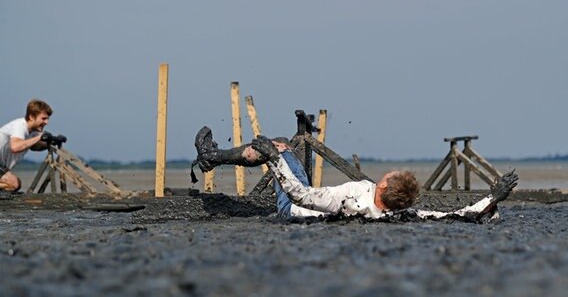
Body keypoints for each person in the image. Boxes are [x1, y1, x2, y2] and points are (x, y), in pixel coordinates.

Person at [193, 126, 518, 222]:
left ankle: (210, 157)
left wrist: (273, 159)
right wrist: (492, 198)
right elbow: (453, 215)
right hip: (313, 203)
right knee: (279, 149)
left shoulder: (350, 200)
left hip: (293, 209)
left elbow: (298, 195)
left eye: (391, 174)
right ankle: (212, 158)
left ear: (386, 185)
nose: (388, 173)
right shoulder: (400, 213)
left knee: (278, 146)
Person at [0, 99, 53, 192]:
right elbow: (15, 147)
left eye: (48, 119)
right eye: (43, 118)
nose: (46, 122)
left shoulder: (33, 131)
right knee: (13, 184)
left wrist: (52, 141)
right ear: (31, 117)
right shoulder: (20, 126)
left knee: (16, 185)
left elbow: (35, 146)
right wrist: (38, 138)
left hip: (2, 167)